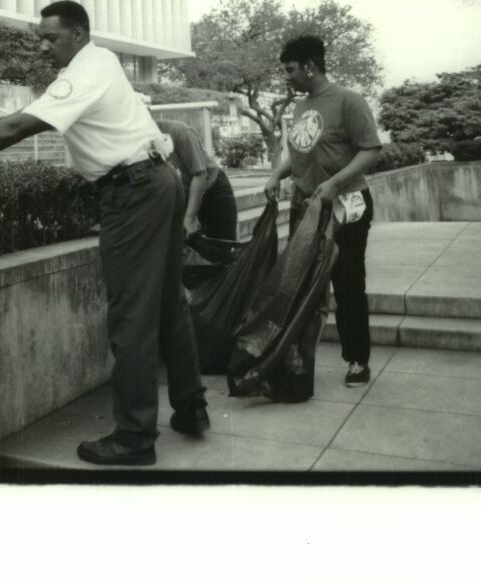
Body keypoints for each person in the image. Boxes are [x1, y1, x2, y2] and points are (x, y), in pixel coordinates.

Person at [0, 0, 206, 467]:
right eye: (40, 36)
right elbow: (31, 115)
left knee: (133, 316)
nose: (43, 45)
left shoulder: (85, 70)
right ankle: (191, 409)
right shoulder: (95, 64)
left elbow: (22, 125)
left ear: (77, 34)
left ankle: (135, 437)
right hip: (156, 182)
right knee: (165, 305)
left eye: (51, 37)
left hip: (134, 192)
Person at [263, 34, 383, 387]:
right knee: (299, 283)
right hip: (306, 206)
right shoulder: (301, 106)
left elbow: (370, 150)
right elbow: (300, 151)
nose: (287, 77)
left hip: (347, 204)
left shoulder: (348, 101)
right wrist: (276, 174)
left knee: (347, 285)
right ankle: (295, 359)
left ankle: (357, 360)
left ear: (310, 67)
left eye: (290, 70)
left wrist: (334, 184)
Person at [155, 117, 238, 242]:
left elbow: (199, 174)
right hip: (181, 196)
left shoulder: (179, 131)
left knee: (222, 246)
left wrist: (190, 217)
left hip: (211, 187)